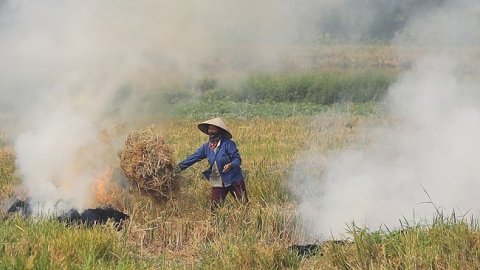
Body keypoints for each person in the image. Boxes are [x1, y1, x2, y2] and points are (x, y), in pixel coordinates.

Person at [178, 117, 248, 211]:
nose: (210, 131)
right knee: (215, 209)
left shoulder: (228, 144)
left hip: (234, 179)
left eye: (213, 129)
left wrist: (230, 165)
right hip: (218, 181)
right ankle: (215, 224)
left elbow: (237, 159)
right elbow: (193, 158)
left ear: (219, 131)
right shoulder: (206, 147)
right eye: (209, 129)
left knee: (243, 204)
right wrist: (177, 169)